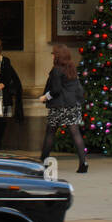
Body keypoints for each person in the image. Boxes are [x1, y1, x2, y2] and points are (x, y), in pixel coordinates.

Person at [40, 43, 87, 171]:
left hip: (60, 106)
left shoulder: (56, 69)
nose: (53, 56)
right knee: (75, 132)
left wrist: (45, 97)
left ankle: (43, 162)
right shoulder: (71, 67)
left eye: (54, 54)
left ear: (58, 56)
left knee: (50, 133)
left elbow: (55, 90)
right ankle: (83, 162)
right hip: (73, 105)